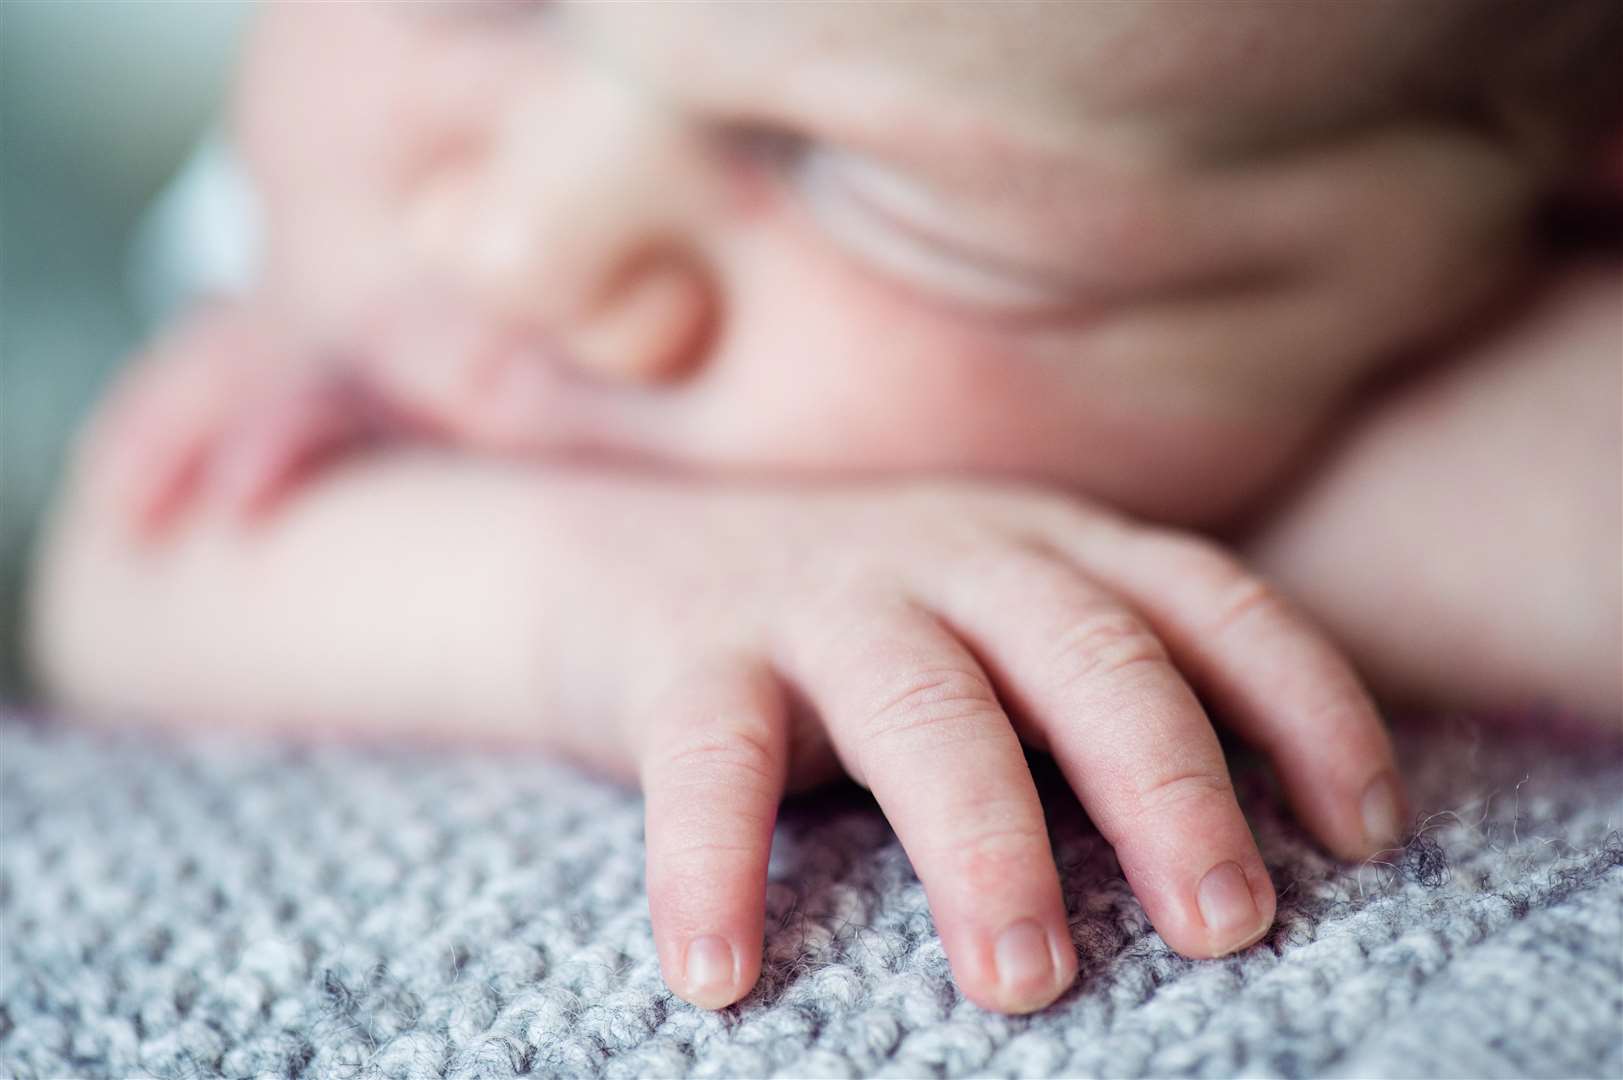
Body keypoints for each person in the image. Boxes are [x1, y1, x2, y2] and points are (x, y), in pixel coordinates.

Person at [28, 1, 1622, 1016]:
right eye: (485, 4)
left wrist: (1330, 525)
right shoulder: (343, 234)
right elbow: (121, 564)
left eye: (845, 174)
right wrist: (618, 581)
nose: (518, 243)